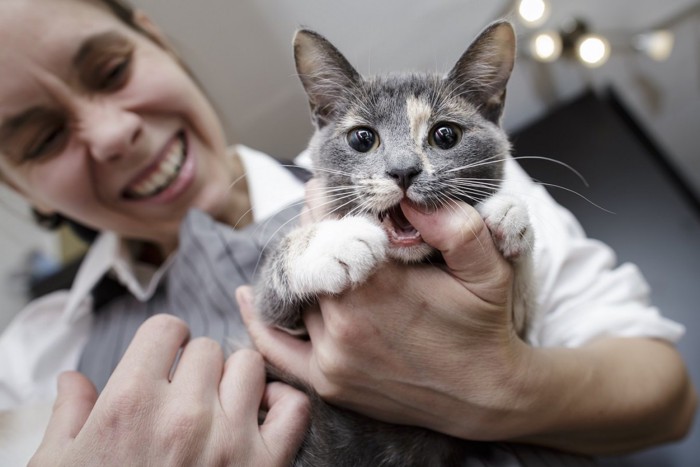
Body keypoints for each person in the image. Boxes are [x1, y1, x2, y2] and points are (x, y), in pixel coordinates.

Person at [0, 0, 695, 464]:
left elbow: (671, 396)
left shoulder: (471, 189)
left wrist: (501, 386)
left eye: (112, 70)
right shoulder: (34, 358)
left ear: (154, 37)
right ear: (12, 184)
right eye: (43, 138)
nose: (114, 132)